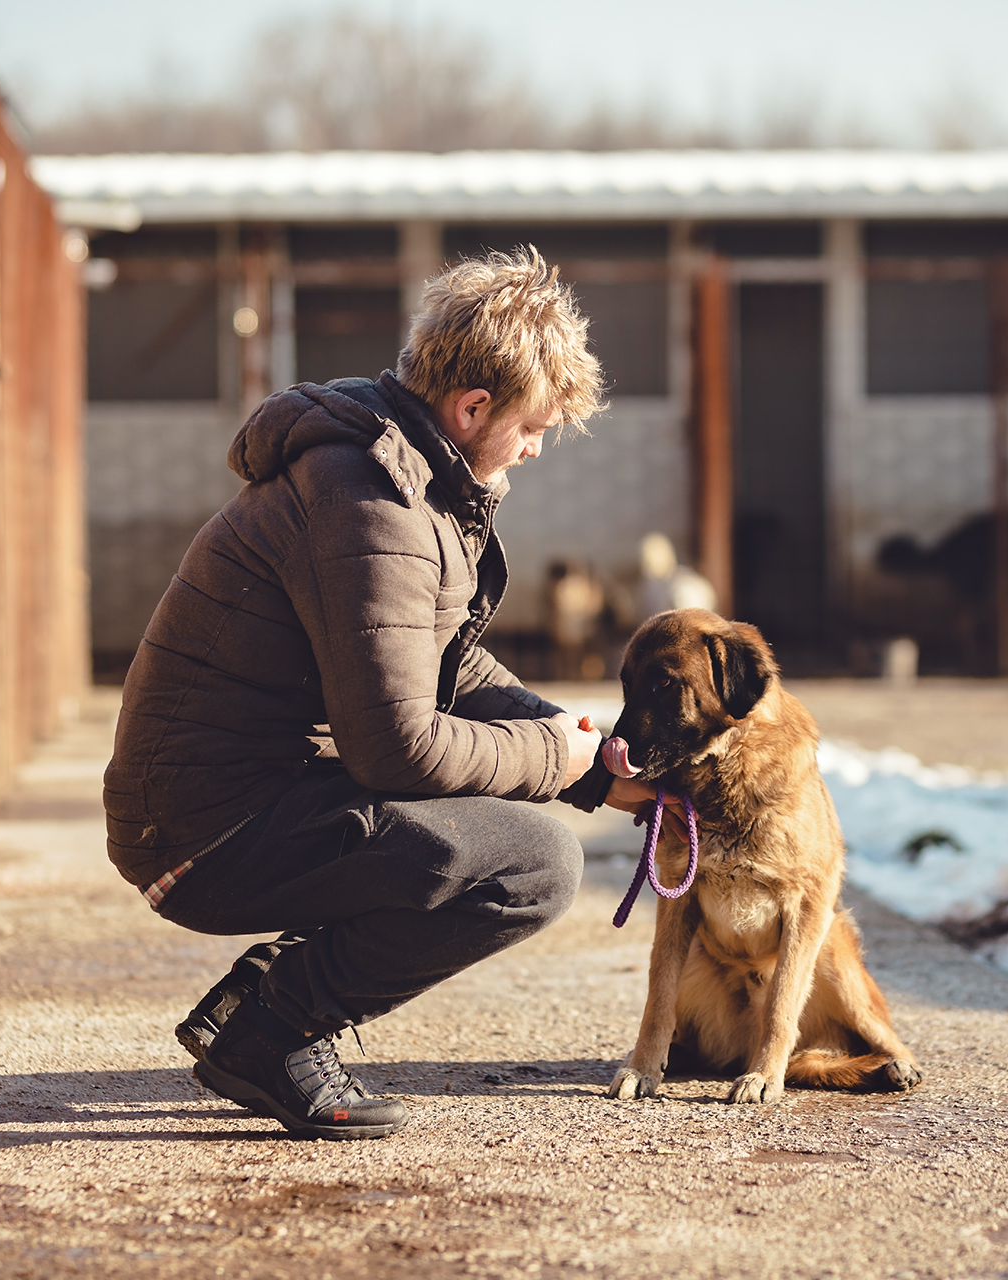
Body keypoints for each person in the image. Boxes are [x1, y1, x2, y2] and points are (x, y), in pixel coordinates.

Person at [103, 248, 653, 1140]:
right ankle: (275, 1031)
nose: (537, 446)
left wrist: (581, 754)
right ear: (471, 408)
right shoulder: (375, 501)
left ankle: (268, 1001)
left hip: (228, 804)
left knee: (512, 836)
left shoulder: (397, 474)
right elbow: (398, 745)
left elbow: (445, 665)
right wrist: (559, 764)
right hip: (207, 833)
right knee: (532, 866)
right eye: (532, 425)